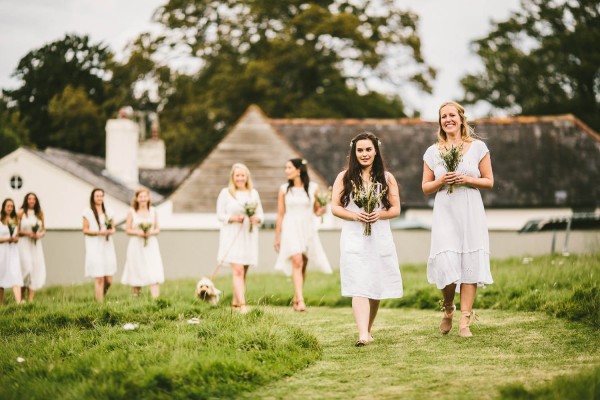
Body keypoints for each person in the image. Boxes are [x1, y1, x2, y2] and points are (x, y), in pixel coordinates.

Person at [422, 101, 494, 337]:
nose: (448, 119)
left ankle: (465, 321)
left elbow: (489, 181)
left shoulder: (478, 147)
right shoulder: (433, 151)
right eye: (443, 116)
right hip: (445, 211)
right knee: (446, 262)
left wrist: (466, 179)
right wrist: (442, 181)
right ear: (440, 122)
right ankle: (448, 307)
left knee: (469, 264)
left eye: (452, 115)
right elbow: (425, 187)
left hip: (470, 210)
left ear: (461, 119)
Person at [331, 131, 403, 347]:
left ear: (375, 151)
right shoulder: (344, 177)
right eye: (360, 150)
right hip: (354, 237)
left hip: (378, 237)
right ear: (354, 151)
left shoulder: (387, 178)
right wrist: (355, 215)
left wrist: (379, 214)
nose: (364, 154)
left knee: (375, 283)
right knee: (359, 283)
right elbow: (334, 207)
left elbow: (396, 209)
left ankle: (368, 329)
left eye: (368, 149)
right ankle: (362, 334)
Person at [274, 158, 332, 312]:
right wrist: (277, 236)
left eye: (289, 168)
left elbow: (316, 210)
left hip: (307, 228)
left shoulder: (313, 188)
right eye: (285, 168)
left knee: (303, 263)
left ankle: (296, 296)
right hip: (290, 227)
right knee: (297, 260)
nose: (286, 171)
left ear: (298, 170)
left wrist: (323, 209)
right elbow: (280, 214)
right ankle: (300, 300)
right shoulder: (284, 189)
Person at [216, 163, 264, 314]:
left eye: (242, 175)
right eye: (237, 175)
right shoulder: (226, 193)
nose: (240, 178)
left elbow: (261, 214)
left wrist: (257, 219)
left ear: (247, 177)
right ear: (233, 177)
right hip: (232, 235)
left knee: (243, 271)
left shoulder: (253, 193)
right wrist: (233, 218)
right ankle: (243, 305)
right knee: (237, 270)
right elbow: (219, 214)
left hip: (248, 236)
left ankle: (235, 303)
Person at [121, 188, 165, 298]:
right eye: (141, 197)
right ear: (137, 198)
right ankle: (137, 299)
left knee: (153, 269)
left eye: (145, 196)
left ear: (148, 198)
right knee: (137, 269)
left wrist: (150, 232)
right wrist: (137, 232)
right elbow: (127, 230)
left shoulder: (153, 211)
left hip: (151, 245)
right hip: (136, 245)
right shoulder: (132, 211)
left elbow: (157, 229)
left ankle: (156, 300)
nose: (143, 199)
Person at [82, 188, 117, 302]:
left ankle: (100, 296)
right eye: (97, 196)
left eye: (101, 195)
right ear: (93, 197)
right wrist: (98, 232)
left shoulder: (108, 211)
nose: (99, 198)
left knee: (109, 279)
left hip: (107, 246)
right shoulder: (88, 212)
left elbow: (113, 228)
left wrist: (110, 231)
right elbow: (85, 230)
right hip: (95, 247)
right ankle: (99, 304)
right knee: (99, 277)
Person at [17, 192, 46, 302]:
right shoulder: (21, 213)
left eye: (34, 199)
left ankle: (30, 299)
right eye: (29, 199)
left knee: (34, 269)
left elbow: (43, 230)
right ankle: (21, 297)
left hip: (35, 245)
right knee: (26, 268)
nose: (32, 201)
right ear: (26, 200)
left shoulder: (39, 213)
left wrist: (39, 235)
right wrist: (27, 233)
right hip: (24, 244)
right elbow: (17, 231)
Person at [0, 199, 23, 305]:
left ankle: (19, 303)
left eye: (12, 206)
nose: (10, 208)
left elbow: (17, 236)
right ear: (4, 207)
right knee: (1, 276)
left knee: (15, 274)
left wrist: (15, 239)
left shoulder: (15, 220)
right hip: (2, 251)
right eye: (8, 206)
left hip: (13, 251)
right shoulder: (0, 219)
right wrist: (6, 239)